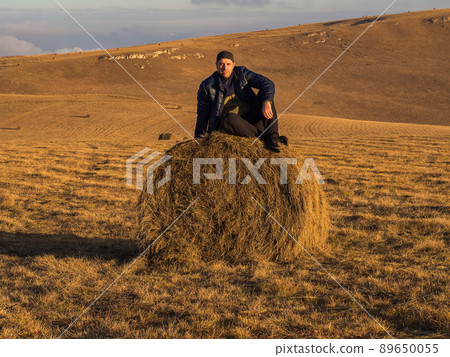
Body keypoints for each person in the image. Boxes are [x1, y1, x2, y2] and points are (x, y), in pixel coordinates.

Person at [195, 51, 287, 152]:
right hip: (232, 125)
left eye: (228, 64)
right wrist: (198, 141)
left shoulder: (242, 73)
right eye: (221, 64)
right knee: (229, 118)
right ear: (216, 65)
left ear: (233, 64)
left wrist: (266, 102)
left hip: (251, 122)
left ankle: (272, 137)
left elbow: (268, 83)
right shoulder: (207, 86)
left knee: (265, 95)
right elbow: (202, 115)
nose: (225, 67)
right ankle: (261, 139)